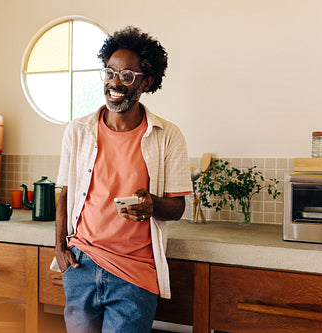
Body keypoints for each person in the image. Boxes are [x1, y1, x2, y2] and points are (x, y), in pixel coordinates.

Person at [52, 26, 193, 333]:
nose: (115, 82)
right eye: (110, 72)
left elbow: (178, 208)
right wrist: (60, 249)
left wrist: (151, 204)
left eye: (127, 75)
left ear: (147, 81)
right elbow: (64, 193)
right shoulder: (78, 131)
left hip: (135, 277)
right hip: (81, 266)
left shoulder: (168, 136)